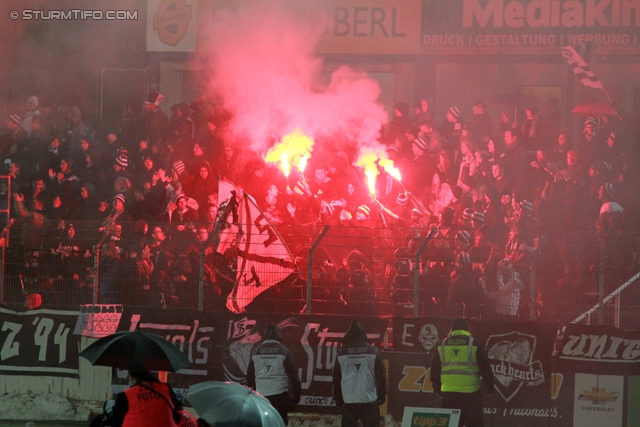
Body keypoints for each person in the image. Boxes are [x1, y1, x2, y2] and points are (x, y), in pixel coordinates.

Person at [430, 318, 495, 427]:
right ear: (467, 329)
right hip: (470, 394)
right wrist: (490, 387)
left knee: (453, 424)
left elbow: (435, 369)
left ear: (453, 329)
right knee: (474, 424)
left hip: (448, 393)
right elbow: (485, 368)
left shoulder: (442, 344)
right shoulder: (474, 343)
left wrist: (436, 387)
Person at [332, 321, 387, 427]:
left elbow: (336, 378)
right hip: (369, 398)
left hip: (349, 399)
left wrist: (337, 397)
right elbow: (381, 375)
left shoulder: (341, 353)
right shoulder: (373, 351)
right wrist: (382, 394)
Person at [246, 323, 301, 425]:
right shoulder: (284, 351)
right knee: (279, 422)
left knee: (263, 422)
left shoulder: (255, 352)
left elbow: (249, 375)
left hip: (261, 395)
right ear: (279, 336)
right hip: (280, 396)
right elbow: (293, 375)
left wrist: (254, 392)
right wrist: (297, 394)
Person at [110, 360, 180, 427]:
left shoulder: (126, 396)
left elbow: (116, 421)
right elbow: (177, 409)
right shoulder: (165, 388)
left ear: (132, 377)